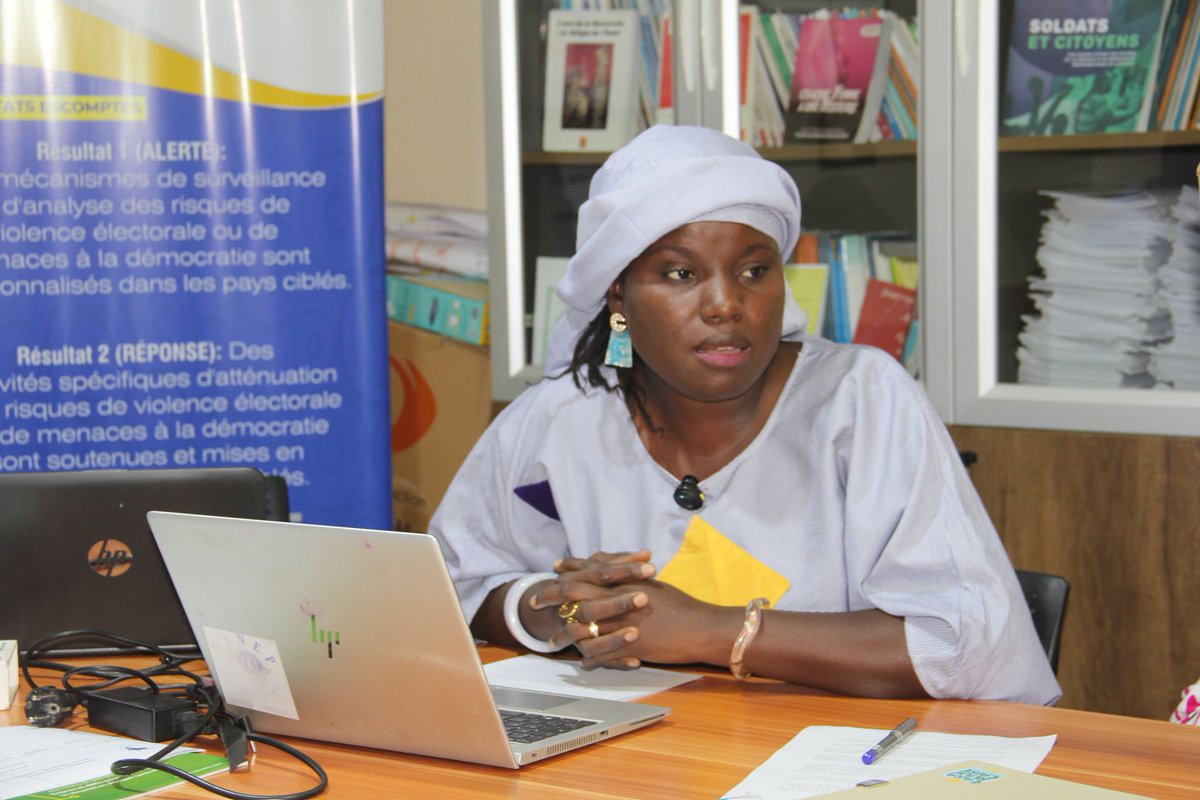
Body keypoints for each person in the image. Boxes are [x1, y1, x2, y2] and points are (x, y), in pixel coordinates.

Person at [429, 125, 1061, 704]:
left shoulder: (861, 399)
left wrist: (710, 630)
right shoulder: (562, 414)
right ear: (617, 291)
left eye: (755, 270)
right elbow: (449, 588)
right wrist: (558, 607)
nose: (727, 304)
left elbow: (969, 647)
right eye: (681, 273)